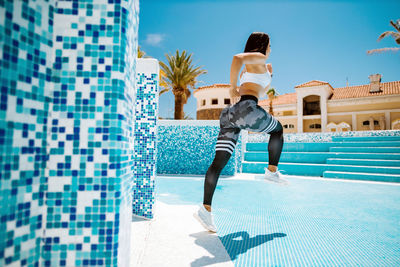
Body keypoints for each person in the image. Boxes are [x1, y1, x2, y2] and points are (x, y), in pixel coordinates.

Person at [194, 32, 288, 233]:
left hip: (231, 114)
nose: (271, 49)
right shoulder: (259, 58)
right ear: (262, 45)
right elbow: (236, 58)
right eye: (270, 45)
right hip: (247, 109)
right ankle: (271, 171)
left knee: (218, 163)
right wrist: (231, 87)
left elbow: (260, 82)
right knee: (278, 131)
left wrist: (270, 73)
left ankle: (205, 209)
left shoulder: (259, 66)